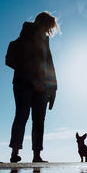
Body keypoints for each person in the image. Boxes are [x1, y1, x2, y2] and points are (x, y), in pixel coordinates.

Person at [9, 11, 60, 163]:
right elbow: (23, 59)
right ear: (41, 22)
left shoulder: (45, 40)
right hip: (24, 83)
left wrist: (53, 89)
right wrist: (34, 80)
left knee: (39, 121)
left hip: (43, 87)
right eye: (47, 26)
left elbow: (49, 66)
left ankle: (37, 155)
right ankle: (14, 153)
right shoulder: (27, 32)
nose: (48, 30)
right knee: (22, 115)